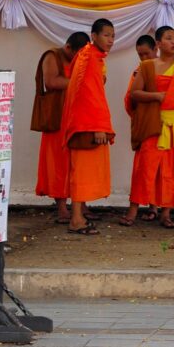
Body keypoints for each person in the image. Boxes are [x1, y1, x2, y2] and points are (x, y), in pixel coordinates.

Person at [120, 26, 174, 228]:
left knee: (172, 171)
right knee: (145, 169)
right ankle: (132, 211)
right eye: (168, 38)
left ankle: (166, 213)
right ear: (158, 43)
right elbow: (134, 93)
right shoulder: (147, 66)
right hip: (154, 125)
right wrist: (156, 96)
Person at [60, 18, 116, 235]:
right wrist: (98, 127)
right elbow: (87, 96)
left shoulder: (90, 56)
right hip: (86, 124)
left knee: (81, 172)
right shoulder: (89, 58)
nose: (110, 40)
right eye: (106, 35)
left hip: (84, 122)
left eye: (113, 36)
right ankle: (76, 218)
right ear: (94, 36)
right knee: (81, 173)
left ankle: (79, 214)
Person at [33, 32, 90, 224]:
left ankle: (80, 204)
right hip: (56, 119)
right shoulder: (52, 56)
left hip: (75, 118)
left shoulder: (79, 59)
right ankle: (62, 207)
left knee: (77, 164)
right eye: (77, 55)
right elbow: (51, 81)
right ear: (68, 48)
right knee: (57, 164)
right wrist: (80, 83)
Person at [120, 35, 160, 223]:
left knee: (160, 171)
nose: (144, 58)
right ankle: (134, 209)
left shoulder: (165, 70)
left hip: (165, 126)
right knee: (142, 169)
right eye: (140, 55)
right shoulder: (139, 72)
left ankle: (154, 206)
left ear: (156, 50)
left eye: (147, 53)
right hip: (146, 126)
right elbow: (130, 99)